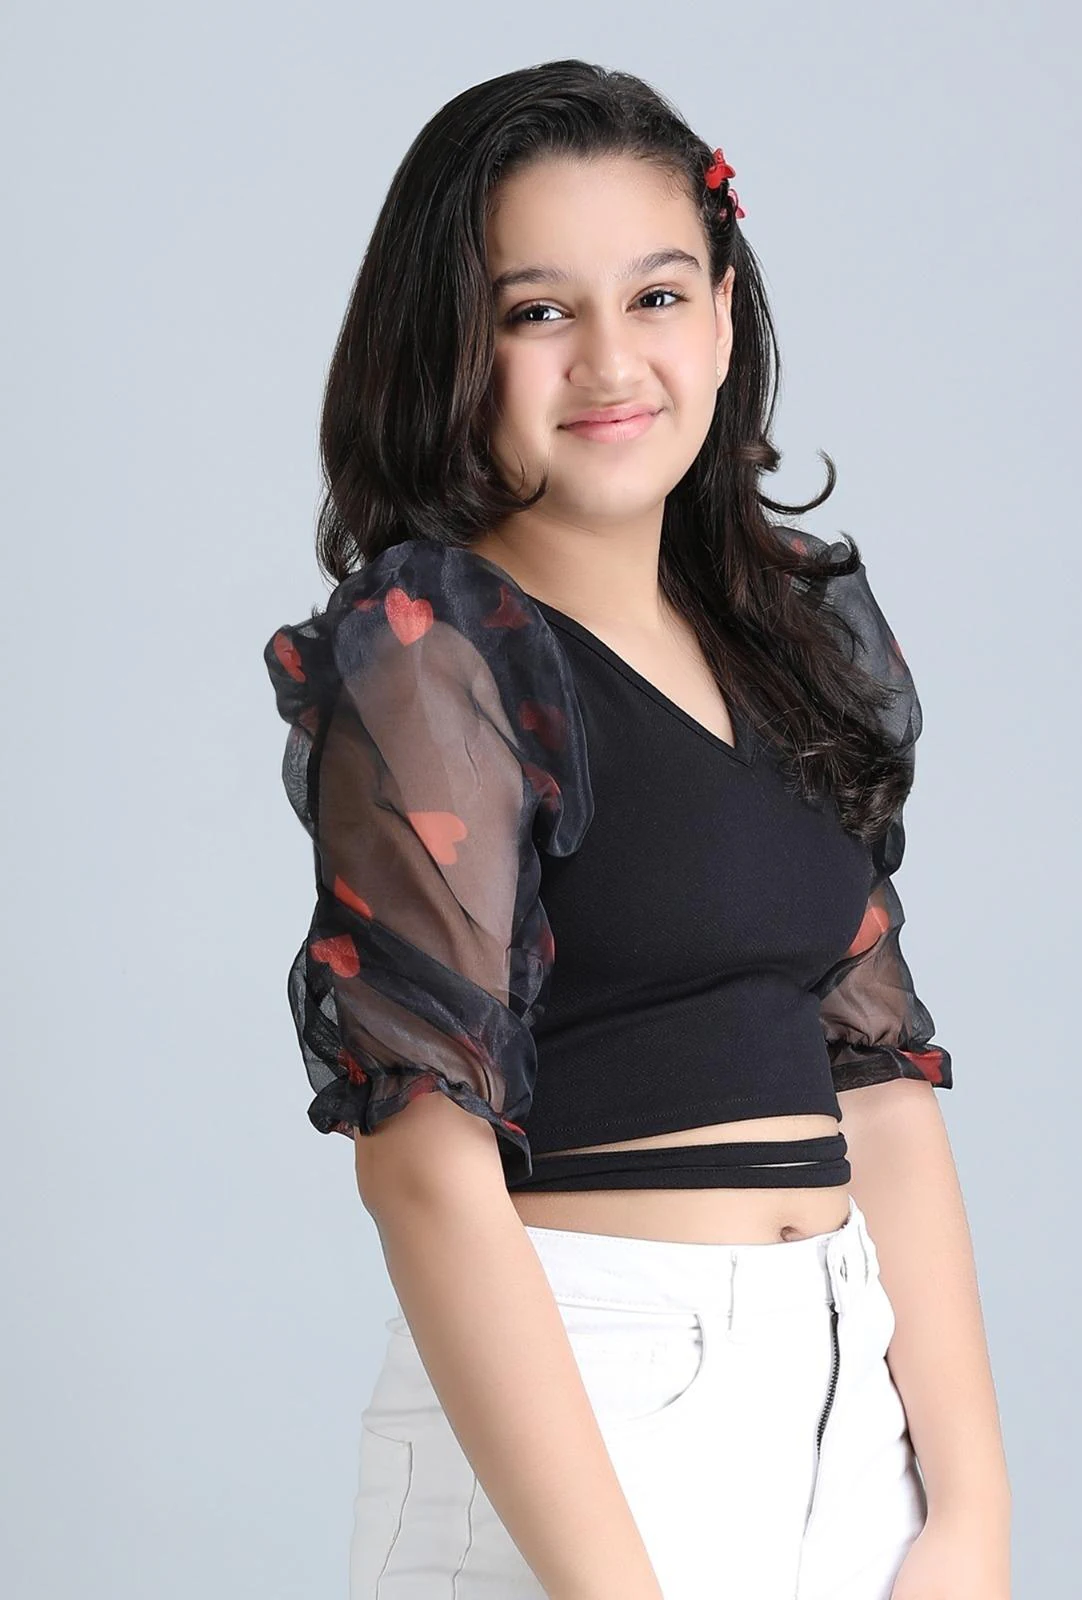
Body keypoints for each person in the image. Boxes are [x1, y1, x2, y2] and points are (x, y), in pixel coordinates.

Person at [262, 58, 1011, 1600]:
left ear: (724, 316)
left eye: (657, 295)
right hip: (589, 1409)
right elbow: (423, 1163)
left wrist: (969, 1510)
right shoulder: (435, 653)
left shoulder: (788, 629)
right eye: (539, 311)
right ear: (451, 347)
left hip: (847, 1400)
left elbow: (877, 1079)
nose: (610, 359)